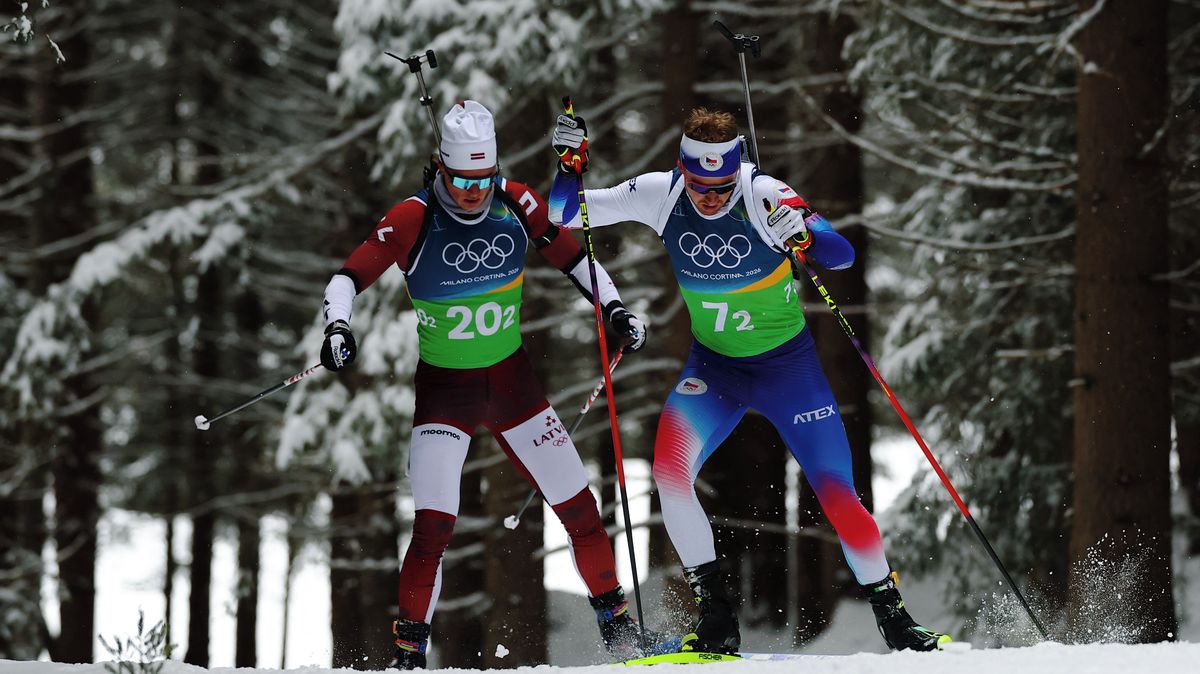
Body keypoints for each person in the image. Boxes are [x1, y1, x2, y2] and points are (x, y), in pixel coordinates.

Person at [548, 108, 952, 653]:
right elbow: (562, 213)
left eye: (720, 187)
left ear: (735, 171)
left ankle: (894, 617)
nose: (709, 198)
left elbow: (841, 252)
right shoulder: (659, 193)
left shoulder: (764, 193)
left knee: (836, 492)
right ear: (681, 169)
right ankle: (716, 618)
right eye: (699, 185)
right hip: (715, 370)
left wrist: (804, 235)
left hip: (789, 370)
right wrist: (569, 167)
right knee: (669, 474)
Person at [319, 100, 655, 669]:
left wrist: (615, 308)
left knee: (580, 507)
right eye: (460, 179)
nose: (473, 191)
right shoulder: (413, 216)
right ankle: (408, 656)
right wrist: (337, 325)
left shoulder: (515, 200)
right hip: (445, 393)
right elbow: (347, 277)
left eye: (482, 178)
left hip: (513, 385)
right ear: (440, 166)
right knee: (433, 526)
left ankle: (618, 631)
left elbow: (578, 260)